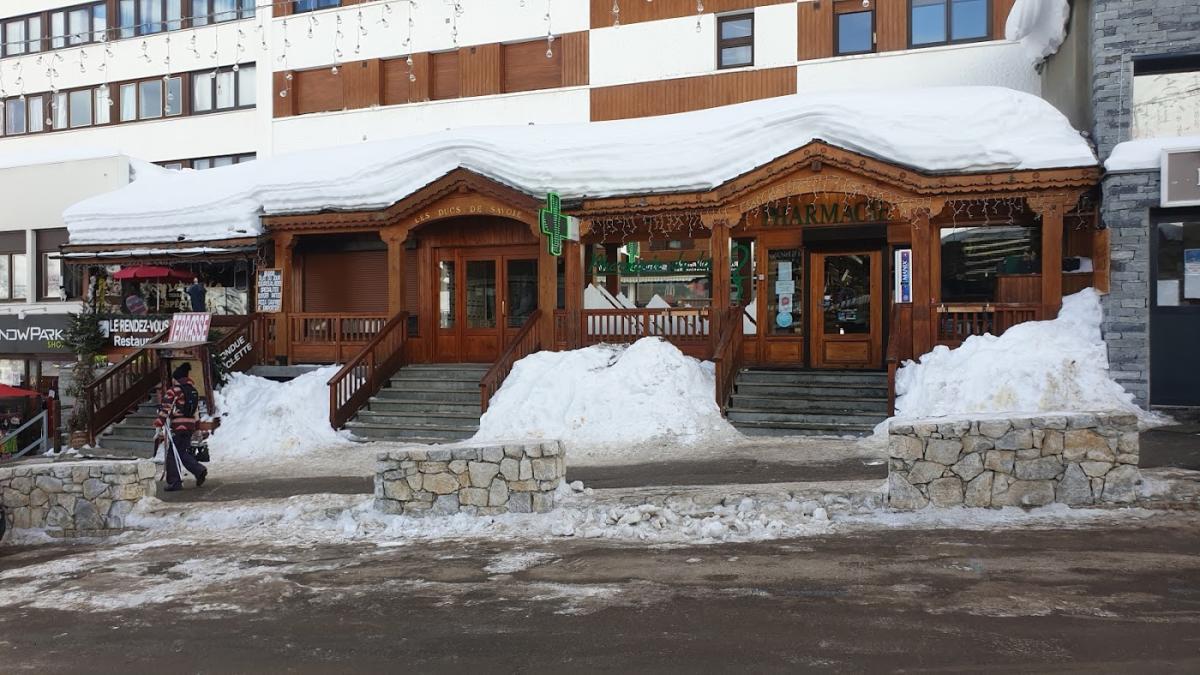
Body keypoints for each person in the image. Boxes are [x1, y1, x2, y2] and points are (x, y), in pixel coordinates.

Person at [154, 363, 207, 492]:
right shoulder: (193, 391)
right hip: (189, 426)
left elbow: (166, 408)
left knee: (172, 454)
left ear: (177, 379)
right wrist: (197, 428)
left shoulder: (174, 391)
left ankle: (175, 482)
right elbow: (196, 412)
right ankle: (198, 471)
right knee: (181, 452)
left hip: (178, 426)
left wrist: (159, 423)